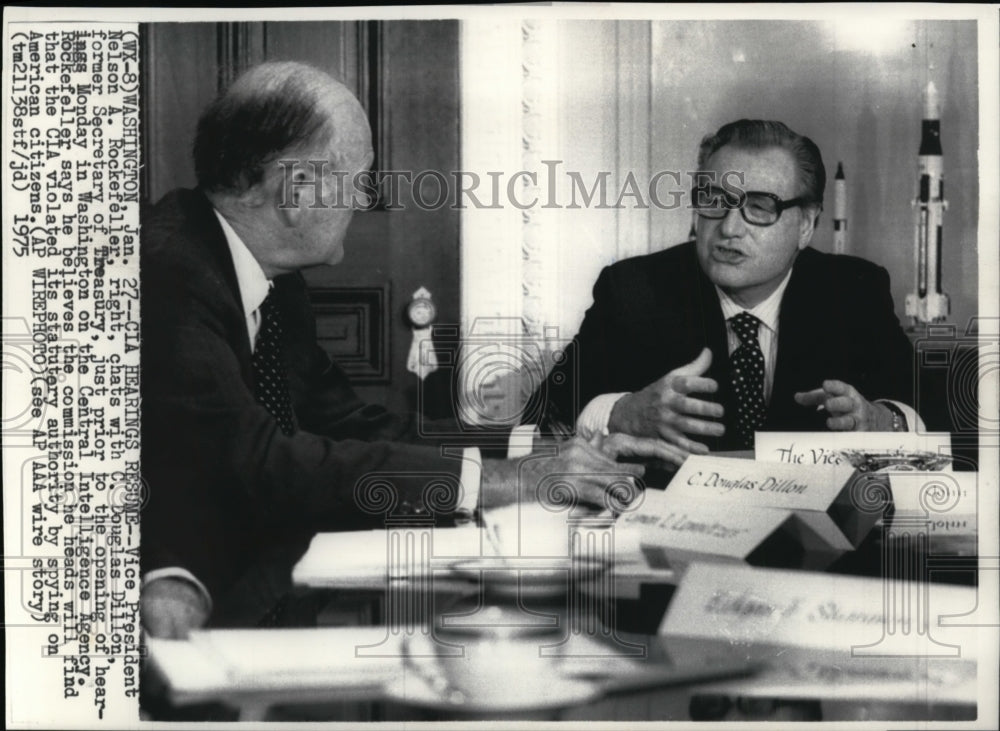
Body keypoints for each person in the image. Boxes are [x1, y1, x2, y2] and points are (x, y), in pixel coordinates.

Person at [139, 62, 680, 638]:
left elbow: (348, 425)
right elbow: (260, 462)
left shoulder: (268, 278)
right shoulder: (168, 271)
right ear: (297, 191)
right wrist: (503, 481)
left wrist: (545, 448)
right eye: (360, 179)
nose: (366, 199)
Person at [538, 119, 921, 453]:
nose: (728, 228)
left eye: (759, 207)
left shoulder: (854, 292)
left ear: (805, 225)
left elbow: (931, 413)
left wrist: (881, 421)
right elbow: (542, 419)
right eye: (714, 200)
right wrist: (622, 414)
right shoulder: (634, 290)